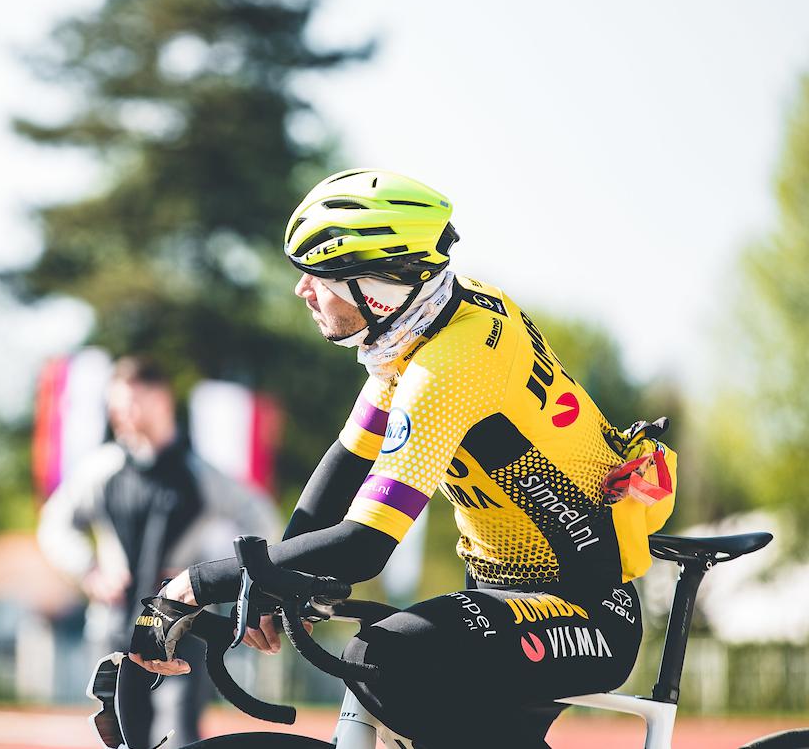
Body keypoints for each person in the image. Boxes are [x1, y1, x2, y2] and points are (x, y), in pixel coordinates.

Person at [127, 169, 678, 748]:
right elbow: (342, 470)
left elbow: (366, 544)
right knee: (393, 661)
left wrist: (197, 583)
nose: (302, 290)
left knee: (386, 659)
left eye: (319, 275)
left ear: (377, 288)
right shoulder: (429, 327)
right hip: (508, 595)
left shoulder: (447, 367)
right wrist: (273, 584)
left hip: (586, 609)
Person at [39, 356, 278, 746]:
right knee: (119, 738)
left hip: (184, 626)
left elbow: (261, 523)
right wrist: (90, 569)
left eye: (133, 402)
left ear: (163, 401)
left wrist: (214, 579)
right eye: (115, 405)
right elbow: (55, 524)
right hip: (112, 627)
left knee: (181, 736)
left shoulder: (200, 473)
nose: (122, 414)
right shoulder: (102, 469)